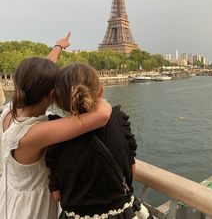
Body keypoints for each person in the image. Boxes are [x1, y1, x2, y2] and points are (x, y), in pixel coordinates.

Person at [0, 34, 112, 219]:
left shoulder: (10, 111)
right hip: (32, 210)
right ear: (53, 94)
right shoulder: (36, 132)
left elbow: (38, 75)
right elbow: (102, 114)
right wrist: (96, 91)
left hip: (10, 197)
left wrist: (58, 47)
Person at [46, 61, 151, 219]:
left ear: (57, 99)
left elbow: (57, 196)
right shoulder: (118, 118)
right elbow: (132, 170)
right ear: (100, 90)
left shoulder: (52, 133)